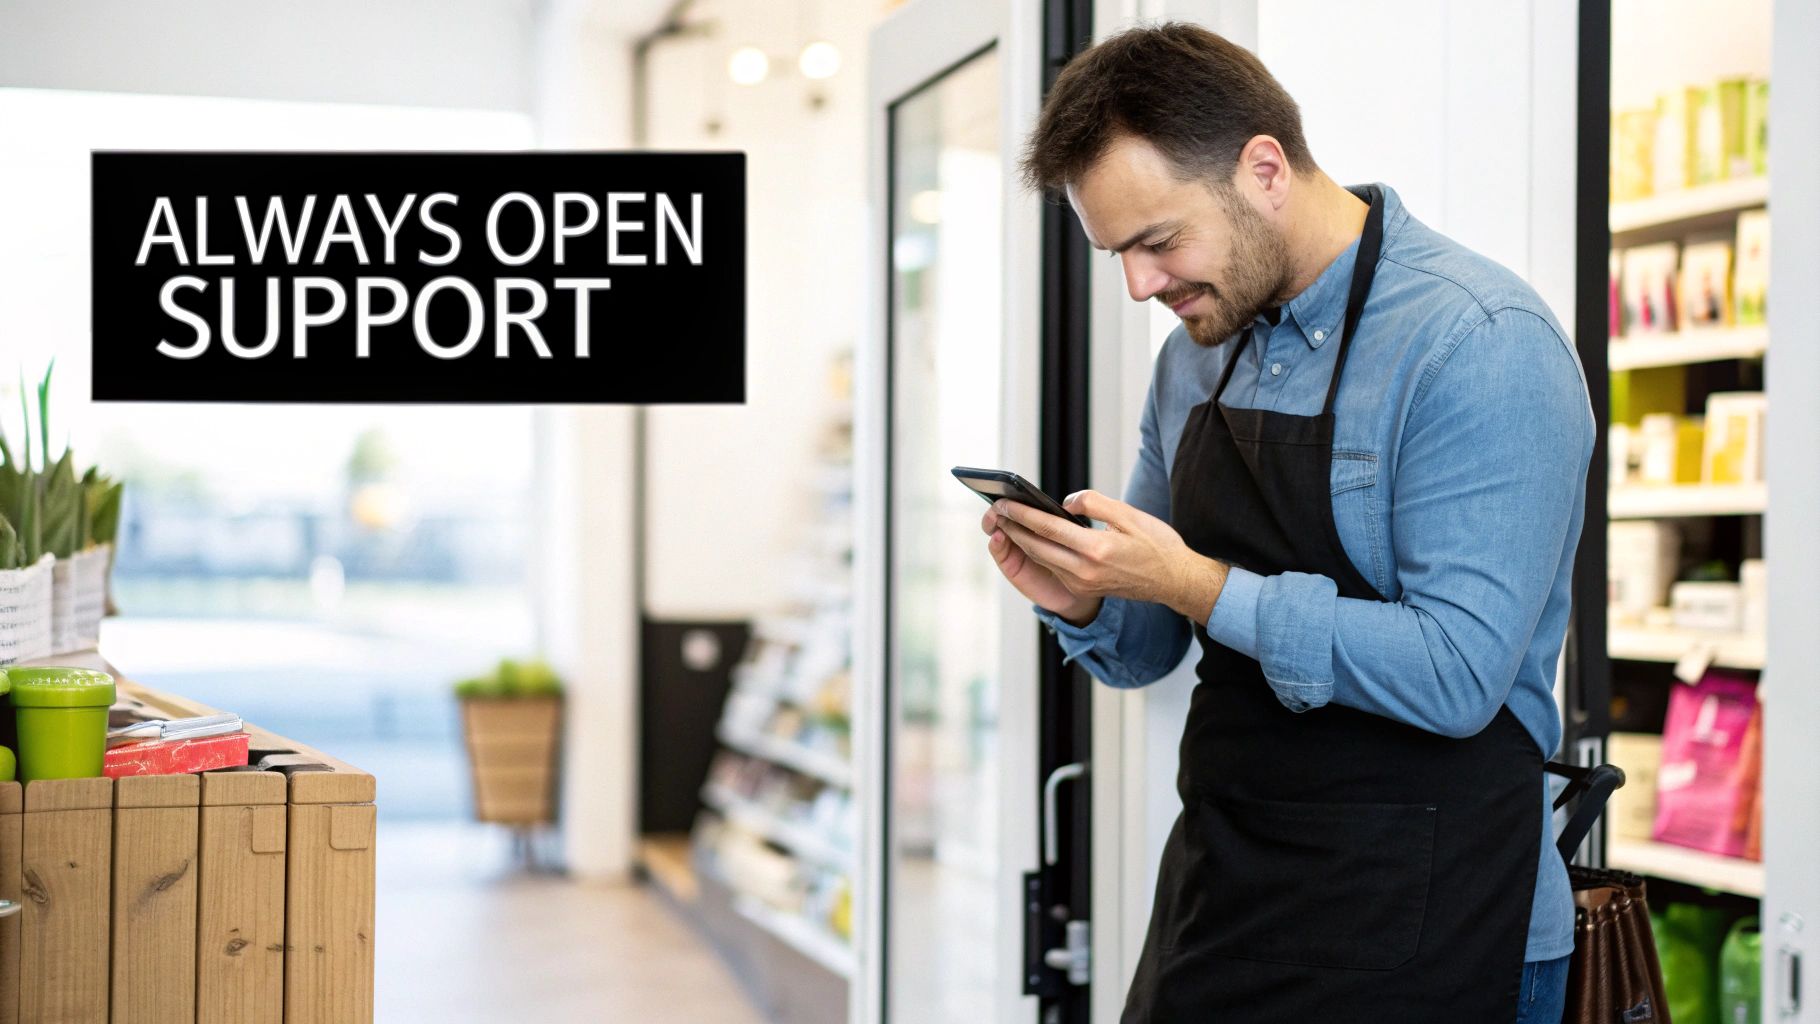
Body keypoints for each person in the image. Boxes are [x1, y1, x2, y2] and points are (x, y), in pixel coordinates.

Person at [983, 23, 1592, 1024]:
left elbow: (1454, 675)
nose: (1141, 284)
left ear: (1263, 168)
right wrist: (1086, 599)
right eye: (1117, 254)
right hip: (1224, 895)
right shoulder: (1194, 354)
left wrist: (1191, 581)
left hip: (1435, 916)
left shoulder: (1477, 343)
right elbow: (1146, 652)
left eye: (1157, 240)